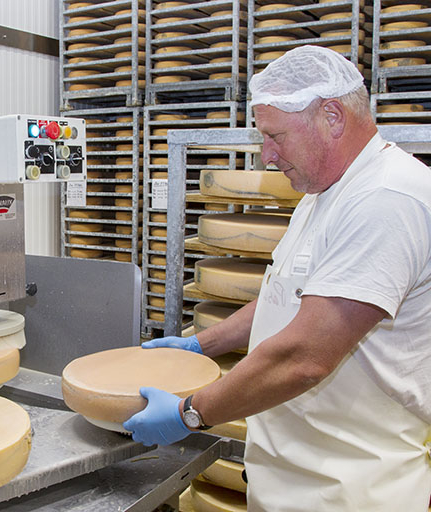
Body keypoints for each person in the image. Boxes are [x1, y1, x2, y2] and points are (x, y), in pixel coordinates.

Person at [123, 45, 431, 511]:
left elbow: (305, 358)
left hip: (349, 487)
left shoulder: (386, 199)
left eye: (275, 136)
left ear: (332, 116)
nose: (267, 156)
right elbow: (284, 296)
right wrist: (202, 345)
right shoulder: (322, 193)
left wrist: (190, 413)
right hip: (293, 474)